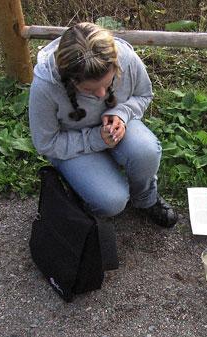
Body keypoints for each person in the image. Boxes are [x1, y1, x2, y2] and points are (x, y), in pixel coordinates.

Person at [29, 22, 177, 227]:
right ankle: (85, 194)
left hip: (118, 127)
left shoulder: (125, 57)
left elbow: (144, 94)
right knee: (112, 202)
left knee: (146, 151)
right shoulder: (46, 85)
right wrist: (97, 139)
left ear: (116, 65)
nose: (101, 95)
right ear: (70, 80)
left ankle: (145, 199)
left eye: (108, 85)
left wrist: (122, 113)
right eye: (89, 90)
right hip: (72, 145)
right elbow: (46, 143)